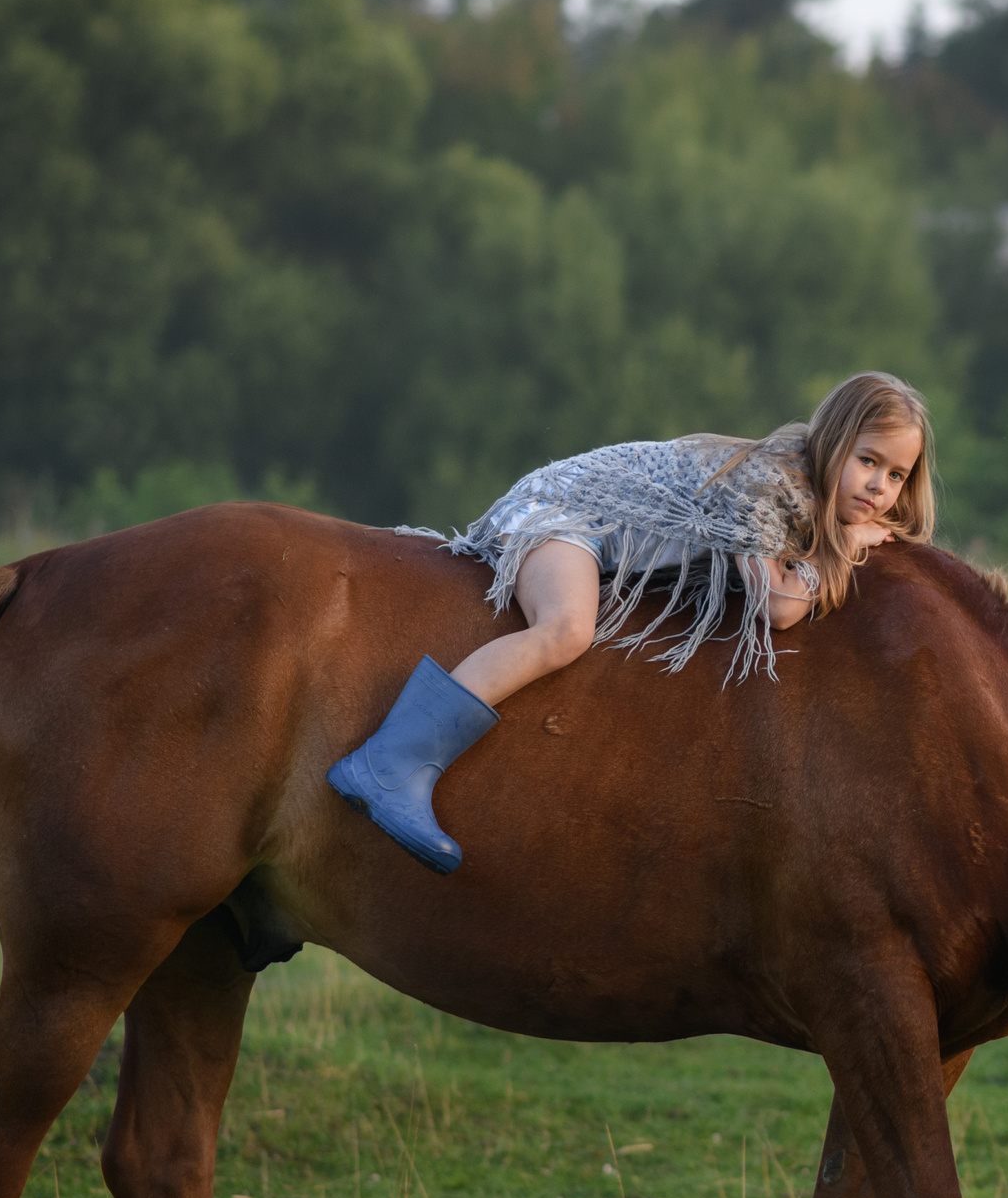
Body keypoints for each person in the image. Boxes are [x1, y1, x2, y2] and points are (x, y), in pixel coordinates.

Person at [327, 371, 937, 873]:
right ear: (832, 443)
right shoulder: (774, 482)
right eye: (868, 462)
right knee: (566, 630)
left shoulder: (812, 500)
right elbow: (776, 606)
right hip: (566, 512)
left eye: (897, 475)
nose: (880, 488)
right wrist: (853, 545)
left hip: (597, 533)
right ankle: (389, 762)